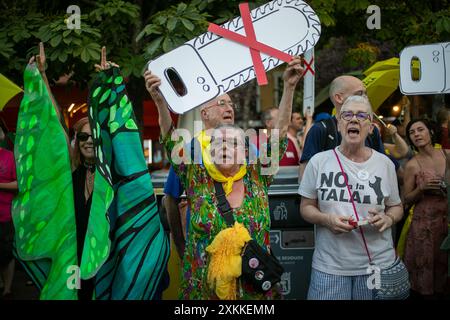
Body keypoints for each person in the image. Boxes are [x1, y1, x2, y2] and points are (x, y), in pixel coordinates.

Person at [144, 56, 304, 299]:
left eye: (233, 142)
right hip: (203, 291)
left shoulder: (258, 176)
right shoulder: (196, 176)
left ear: (245, 151)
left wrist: (290, 87)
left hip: (253, 292)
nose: (225, 147)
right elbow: (169, 137)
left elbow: (279, 135)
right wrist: (159, 101)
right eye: (218, 143)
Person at [299, 95, 404, 300]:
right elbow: (306, 207)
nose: (354, 119)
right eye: (347, 114)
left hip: (376, 265)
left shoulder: (385, 164)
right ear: (339, 124)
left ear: (371, 127)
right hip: (330, 267)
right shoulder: (318, 162)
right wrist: (326, 219)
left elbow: (397, 207)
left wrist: (388, 218)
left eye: (362, 115)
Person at [163, 92, 236, 259]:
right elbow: (170, 198)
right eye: (222, 103)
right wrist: (181, 245)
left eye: (231, 104)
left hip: (241, 254)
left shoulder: (247, 148)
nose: (229, 109)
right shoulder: (190, 150)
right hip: (202, 254)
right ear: (205, 114)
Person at [299, 75, 395, 179]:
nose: (366, 98)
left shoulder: (371, 130)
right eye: (359, 94)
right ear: (339, 98)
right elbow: (305, 178)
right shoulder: (320, 130)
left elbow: (383, 170)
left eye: (365, 94)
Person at [403, 118, 449, 298]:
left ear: (430, 132)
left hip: (447, 221)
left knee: (445, 270)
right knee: (425, 275)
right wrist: (421, 189)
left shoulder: (447, 154)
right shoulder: (412, 165)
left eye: (420, 130)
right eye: (412, 133)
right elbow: (406, 199)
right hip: (424, 228)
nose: (416, 135)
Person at [0, 126, 17, 300]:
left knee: (6, 252)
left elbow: (19, 184)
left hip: (6, 214)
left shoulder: (9, 156)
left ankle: (8, 287)